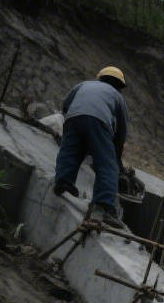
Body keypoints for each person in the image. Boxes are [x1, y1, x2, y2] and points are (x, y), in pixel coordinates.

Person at [52, 66, 129, 230]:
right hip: (99, 121)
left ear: (100, 78)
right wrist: (117, 162)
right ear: (120, 87)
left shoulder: (84, 85)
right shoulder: (117, 97)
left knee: (70, 151)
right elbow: (121, 134)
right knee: (107, 165)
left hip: (73, 117)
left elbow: (66, 105)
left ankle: (63, 181)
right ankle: (104, 206)